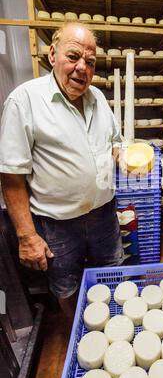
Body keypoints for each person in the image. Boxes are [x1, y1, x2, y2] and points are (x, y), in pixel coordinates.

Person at [0, 22, 124, 315]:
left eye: (90, 62)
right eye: (73, 56)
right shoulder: (25, 100)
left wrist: (124, 156)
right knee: (66, 286)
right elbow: (11, 176)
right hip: (58, 223)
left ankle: (114, 329)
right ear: (52, 55)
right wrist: (27, 236)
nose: (82, 67)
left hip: (104, 215)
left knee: (113, 275)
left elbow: (115, 142)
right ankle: (80, 336)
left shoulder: (99, 100)